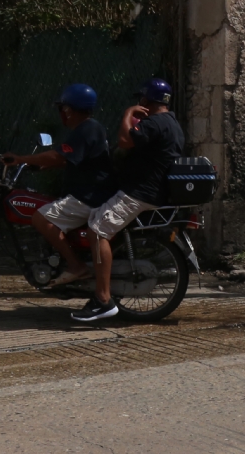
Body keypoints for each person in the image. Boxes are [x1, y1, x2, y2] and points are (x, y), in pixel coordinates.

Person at [71, 77, 184, 323]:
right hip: (150, 191)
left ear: (146, 100)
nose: (138, 102)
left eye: (140, 99)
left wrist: (128, 113)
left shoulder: (153, 123)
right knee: (97, 223)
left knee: (97, 231)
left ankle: (102, 300)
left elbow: (124, 140)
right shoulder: (172, 123)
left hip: (139, 193)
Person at [1, 83, 112, 288]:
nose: (61, 113)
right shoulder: (89, 128)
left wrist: (19, 159)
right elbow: (68, 159)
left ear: (69, 109)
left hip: (87, 196)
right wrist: (39, 166)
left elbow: (58, 155)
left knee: (40, 217)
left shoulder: (87, 129)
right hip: (89, 193)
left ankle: (76, 266)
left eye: (62, 108)